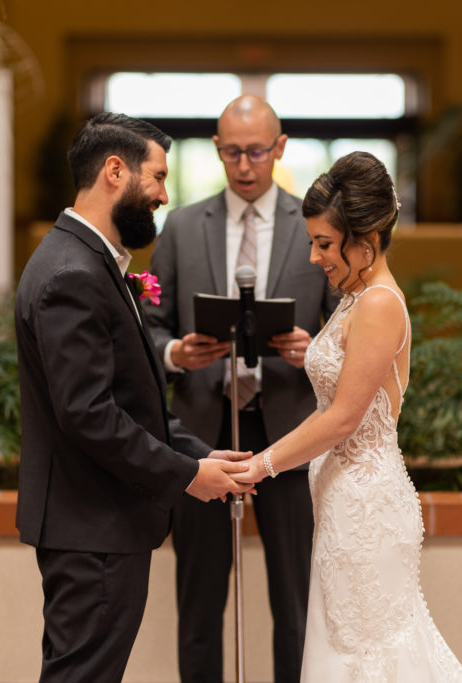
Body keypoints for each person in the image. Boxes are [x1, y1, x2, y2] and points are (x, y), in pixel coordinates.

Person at [14, 111, 253, 683]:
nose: (164, 196)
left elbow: (130, 398)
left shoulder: (88, 260)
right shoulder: (72, 272)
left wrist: (197, 453)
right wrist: (186, 476)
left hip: (99, 523)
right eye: (158, 177)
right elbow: (88, 415)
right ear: (115, 172)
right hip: (93, 525)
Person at [232, 151, 462, 682]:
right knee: (350, 651)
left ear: (364, 241)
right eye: (313, 243)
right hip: (343, 505)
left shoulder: (379, 304)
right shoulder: (354, 297)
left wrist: (261, 465)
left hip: (367, 512)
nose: (315, 257)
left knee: (371, 658)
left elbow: (343, 418)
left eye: (324, 244)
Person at [145, 95, 340, 683]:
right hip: (202, 429)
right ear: (216, 150)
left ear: (279, 148)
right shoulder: (181, 225)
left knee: (296, 601)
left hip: (290, 428)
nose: (245, 164)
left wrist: (318, 349)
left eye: (257, 151)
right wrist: (176, 353)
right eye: (232, 152)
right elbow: (148, 324)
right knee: (199, 600)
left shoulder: (315, 225)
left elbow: (346, 321)